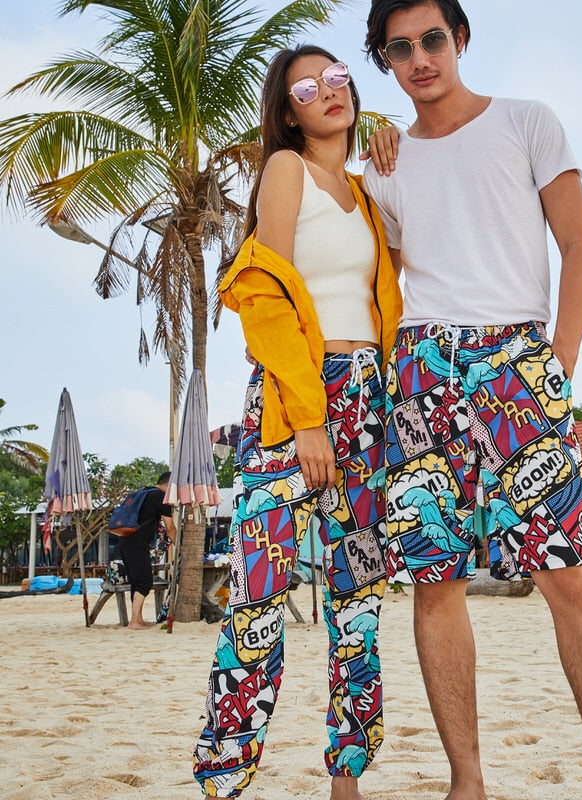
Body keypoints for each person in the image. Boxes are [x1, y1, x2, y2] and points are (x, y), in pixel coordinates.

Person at [361, 2, 582, 799]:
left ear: (461, 40)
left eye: (433, 40)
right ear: (385, 60)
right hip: (421, 368)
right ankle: (468, 781)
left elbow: (580, 246)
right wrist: (373, 145)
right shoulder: (385, 162)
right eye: (400, 48)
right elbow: (393, 264)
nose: (420, 59)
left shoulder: (527, 121)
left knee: (571, 577)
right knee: (435, 580)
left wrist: (560, 360)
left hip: (517, 358)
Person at [192, 46, 402, 800]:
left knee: (360, 601)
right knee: (258, 601)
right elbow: (267, 294)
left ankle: (348, 780)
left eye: (339, 77)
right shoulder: (286, 172)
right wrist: (309, 416)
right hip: (293, 399)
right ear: (289, 111)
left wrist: (391, 158)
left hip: (369, 399)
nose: (330, 93)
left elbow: (388, 288)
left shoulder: (367, 193)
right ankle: (225, 781)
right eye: (308, 88)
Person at [115, 471, 175, 630]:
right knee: (145, 580)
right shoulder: (160, 497)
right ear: (169, 485)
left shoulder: (143, 492)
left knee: (136, 580)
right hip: (136, 543)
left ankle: (138, 619)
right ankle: (134, 621)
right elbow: (170, 528)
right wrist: (179, 546)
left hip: (125, 540)